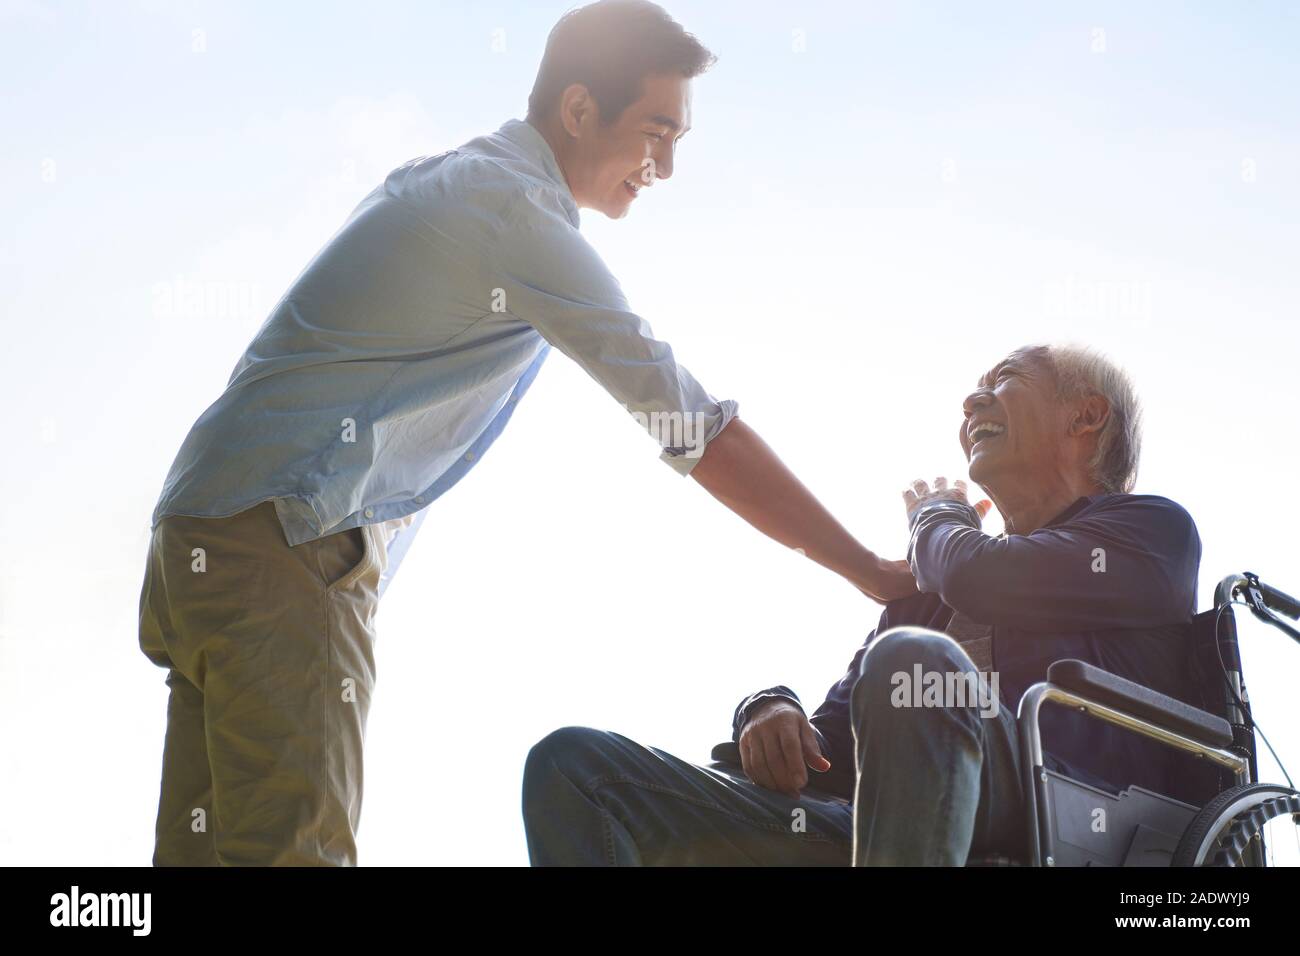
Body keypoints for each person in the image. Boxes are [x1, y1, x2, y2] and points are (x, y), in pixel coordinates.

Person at [137, 0, 911, 866]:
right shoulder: (516, 216)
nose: (665, 166)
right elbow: (691, 425)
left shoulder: (456, 179)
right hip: (290, 535)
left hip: (204, 528)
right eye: (657, 131)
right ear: (579, 109)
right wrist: (873, 571)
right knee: (291, 854)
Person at [522, 343, 1220, 865]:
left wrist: (936, 519)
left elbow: (982, 578)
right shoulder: (924, 604)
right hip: (877, 830)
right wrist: (768, 709)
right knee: (578, 771)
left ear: (1085, 416)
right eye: (973, 392)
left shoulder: (1149, 531)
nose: (971, 404)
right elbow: (832, 745)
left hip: (1066, 815)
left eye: (1002, 381)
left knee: (913, 664)